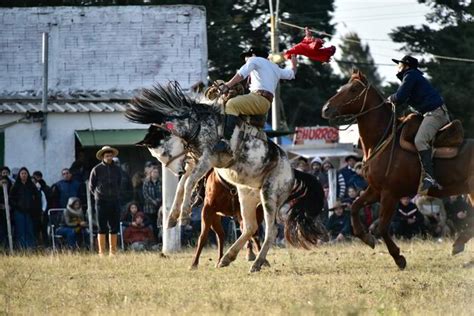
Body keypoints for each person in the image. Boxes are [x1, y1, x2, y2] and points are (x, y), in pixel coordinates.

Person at [213, 47, 298, 154]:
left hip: (257, 98)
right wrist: (294, 64)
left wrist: (227, 85)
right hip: (265, 104)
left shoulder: (254, 60)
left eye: (246, 57)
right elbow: (292, 74)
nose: (245, 60)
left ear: (253, 55)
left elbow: (241, 74)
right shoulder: (274, 67)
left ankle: (225, 141)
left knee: (231, 104)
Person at [389, 55, 450, 193]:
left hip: (435, 114)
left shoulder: (410, 75)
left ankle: (430, 177)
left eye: (400, 64)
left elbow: (399, 97)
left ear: (407, 66)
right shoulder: (412, 76)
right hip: (432, 113)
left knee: (420, 140)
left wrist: (389, 99)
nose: (398, 67)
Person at [89, 146, 122, 256]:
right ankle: (101, 252)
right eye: (107, 156)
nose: (109, 157)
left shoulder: (117, 169)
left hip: (114, 200)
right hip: (101, 202)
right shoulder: (96, 169)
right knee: (101, 226)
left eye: (110, 155)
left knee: (114, 226)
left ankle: (113, 251)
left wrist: (116, 194)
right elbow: (91, 186)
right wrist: (98, 196)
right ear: (102, 157)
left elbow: (120, 183)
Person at [9, 167, 42, 249]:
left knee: (29, 229)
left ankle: (30, 248)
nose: (24, 175)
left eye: (25, 173)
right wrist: (16, 206)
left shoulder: (31, 186)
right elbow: (10, 199)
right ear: (19, 175)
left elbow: (37, 197)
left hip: (29, 212)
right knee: (20, 230)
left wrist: (33, 207)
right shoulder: (15, 186)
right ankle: (21, 248)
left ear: (28, 175)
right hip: (18, 212)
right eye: (22, 173)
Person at [142, 166, 162, 238]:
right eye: (154, 172)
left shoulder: (160, 182)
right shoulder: (146, 183)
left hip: (159, 208)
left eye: (157, 172)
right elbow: (145, 194)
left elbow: (163, 193)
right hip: (149, 208)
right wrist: (152, 201)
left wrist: (158, 200)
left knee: (158, 224)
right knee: (150, 224)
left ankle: (158, 240)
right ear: (150, 173)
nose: (156, 174)